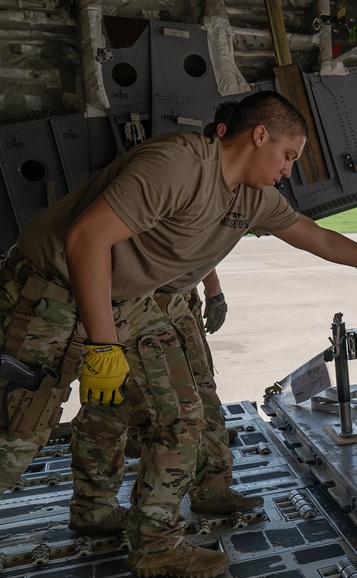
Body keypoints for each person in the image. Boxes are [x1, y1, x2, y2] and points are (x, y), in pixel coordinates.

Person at [0, 90, 357, 578]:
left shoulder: (253, 198)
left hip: (125, 301)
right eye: (288, 155)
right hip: (47, 295)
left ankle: (155, 544)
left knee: (183, 416)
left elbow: (318, 237)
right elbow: (87, 238)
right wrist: (102, 345)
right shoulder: (177, 164)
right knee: (7, 443)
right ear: (259, 135)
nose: (289, 169)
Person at [67, 104, 254, 536]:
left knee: (202, 397)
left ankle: (211, 488)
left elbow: (201, 247)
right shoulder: (170, 174)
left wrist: (213, 292)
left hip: (177, 307)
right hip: (131, 308)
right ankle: (97, 509)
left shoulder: (221, 184)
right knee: (109, 410)